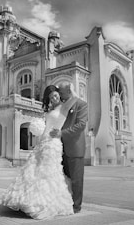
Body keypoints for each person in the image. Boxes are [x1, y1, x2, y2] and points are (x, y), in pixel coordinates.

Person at [1, 84, 78, 220]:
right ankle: (29, 200)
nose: (54, 98)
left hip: (53, 142)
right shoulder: (49, 110)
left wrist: (70, 87)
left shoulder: (64, 107)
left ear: (59, 94)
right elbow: (46, 127)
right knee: (34, 169)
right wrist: (38, 136)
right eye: (51, 97)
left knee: (48, 171)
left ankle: (46, 203)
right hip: (43, 141)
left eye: (55, 95)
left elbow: (75, 98)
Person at [50, 82, 88, 214]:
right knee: (64, 178)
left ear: (68, 91)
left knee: (76, 179)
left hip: (75, 148)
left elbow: (81, 125)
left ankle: (76, 206)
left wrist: (62, 133)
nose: (59, 93)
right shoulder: (61, 106)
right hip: (60, 148)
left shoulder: (81, 104)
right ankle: (66, 203)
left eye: (61, 91)